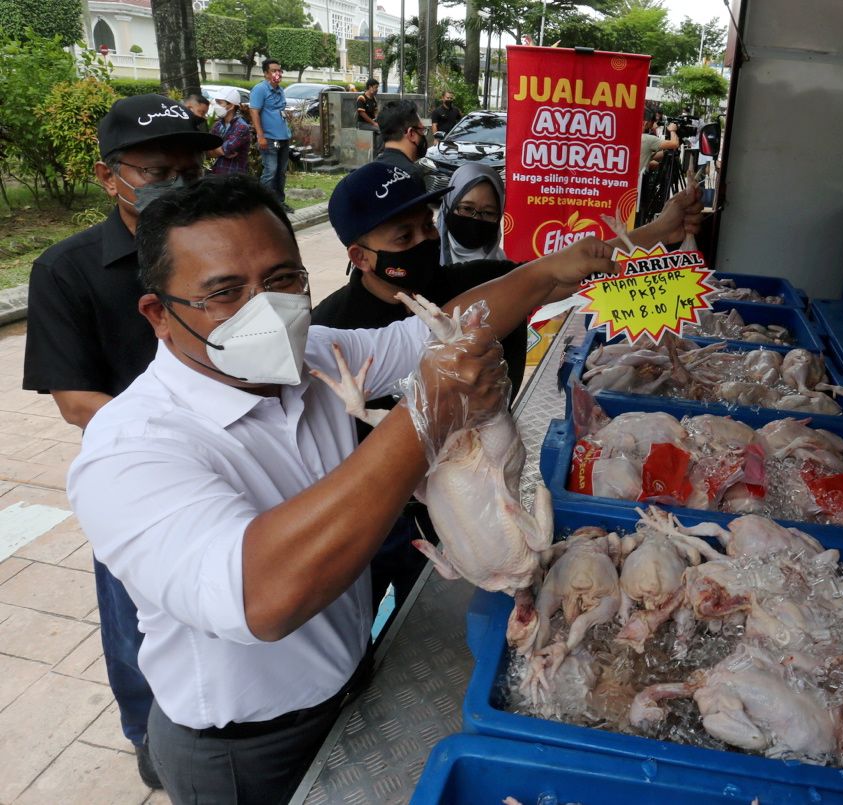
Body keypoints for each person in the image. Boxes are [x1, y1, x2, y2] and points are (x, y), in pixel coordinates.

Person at [66, 172, 699, 801]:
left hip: (352, 683)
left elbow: (440, 329)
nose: (265, 308)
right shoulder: (129, 449)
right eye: (225, 292)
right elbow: (262, 596)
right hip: (245, 749)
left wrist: (551, 272)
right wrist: (427, 412)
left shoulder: (313, 354)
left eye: (282, 280)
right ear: (159, 314)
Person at [22, 93, 221, 791]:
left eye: (192, 171)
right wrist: (177, 442)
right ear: (110, 178)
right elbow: (74, 398)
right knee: (133, 612)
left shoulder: (224, 246)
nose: (179, 185)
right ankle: (145, 728)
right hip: (141, 473)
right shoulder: (66, 270)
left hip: (238, 452)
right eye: (159, 172)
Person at [313, 162, 522, 608]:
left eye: (427, 226)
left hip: (460, 511)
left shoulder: (474, 290)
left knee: (434, 612)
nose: (424, 242)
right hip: (368, 521)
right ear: (361, 257)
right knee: (359, 620)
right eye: (403, 238)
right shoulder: (330, 329)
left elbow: (542, 279)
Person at [438, 163, 507, 265]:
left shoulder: (503, 264)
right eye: (467, 208)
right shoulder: (425, 259)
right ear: (449, 206)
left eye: (488, 212)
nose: (476, 218)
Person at [249, 58, 293, 212]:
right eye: (274, 71)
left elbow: (279, 111)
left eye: (279, 70)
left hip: (283, 137)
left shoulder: (280, 90)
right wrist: (260, 136)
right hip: (269, 138)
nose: (278, 73)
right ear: (266, 73)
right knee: (270, 171)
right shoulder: (260, 89)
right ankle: (263, 205)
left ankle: (279, 202)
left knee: (281, 172)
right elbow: (254, 112)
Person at [375, 100, 433, 187]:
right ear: (411, 134)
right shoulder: (412, 175)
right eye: (422, 130)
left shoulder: (370, 170)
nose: (424, 135)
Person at [207, 87, 252, 175]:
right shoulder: (218, 125)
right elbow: (207, 150)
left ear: (231, 106)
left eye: (219, 102)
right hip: (217, 173)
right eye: (216, 102)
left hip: (234, 176)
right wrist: (221, 151)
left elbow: (226, 149)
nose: (215, 105)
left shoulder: (241, 127)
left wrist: (220, 150)